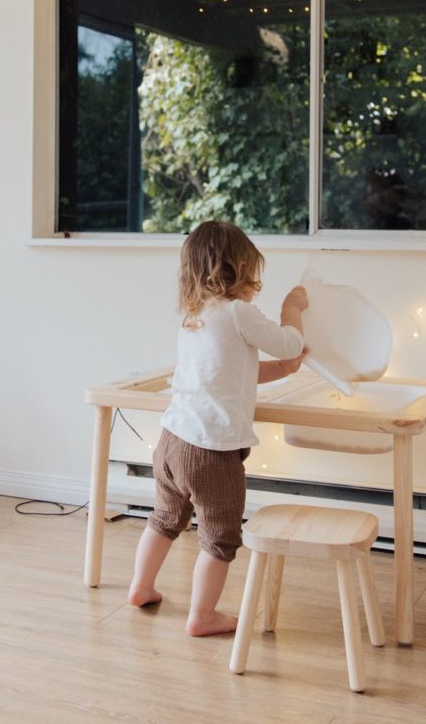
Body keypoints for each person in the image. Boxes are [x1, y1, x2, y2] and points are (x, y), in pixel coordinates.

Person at [127, 220, 308, 636]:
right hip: (211, 453)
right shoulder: (238, 311)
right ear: (239, 270)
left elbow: (230, 372)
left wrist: (282, 369)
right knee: (220, 535)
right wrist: (292, 310)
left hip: (172, 442)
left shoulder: (196, 315)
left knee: (165, 518)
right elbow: (290, 342)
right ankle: (203, 616)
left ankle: (141, 586)